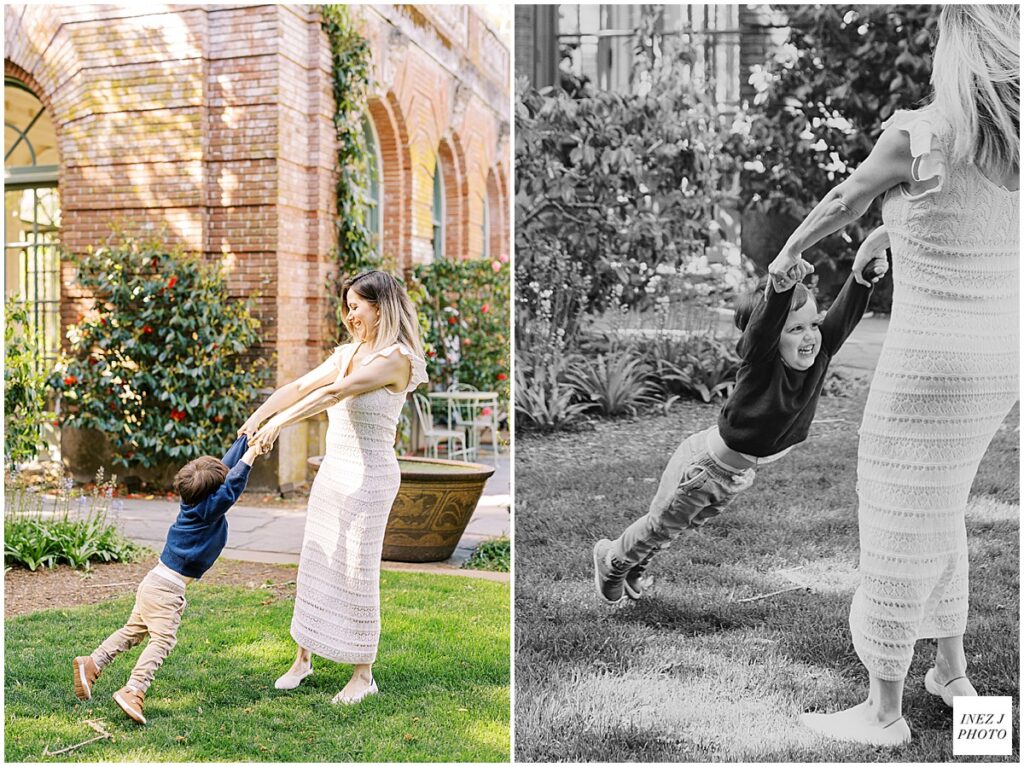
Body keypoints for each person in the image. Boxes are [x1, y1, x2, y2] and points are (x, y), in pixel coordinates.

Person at [766, 5, 1019, 747]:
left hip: (931, 363)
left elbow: (844, 198)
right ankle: (955, 677)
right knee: (938, 506)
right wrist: (892, 229)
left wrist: (787, 255)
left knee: (894, 508)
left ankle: (882, 710)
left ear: (956, 52)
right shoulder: (1010, 141)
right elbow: (960, 219)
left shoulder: (924, 131)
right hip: (1001, 357)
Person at [593, 246, 887, 605]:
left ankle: (637, 558)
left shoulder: (820, 355)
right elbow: (761, 333)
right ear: (771, 337)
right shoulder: (761, 363)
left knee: (681, 524)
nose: (810, 335)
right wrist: (778, 291)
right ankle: (613, 560)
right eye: (795, 329)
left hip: (733, 475)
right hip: (703, 469)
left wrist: (863, 276)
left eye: (813, 324)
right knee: (662, 523)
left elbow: (843, 316)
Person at [240, 271, 427, 705]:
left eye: (356, 306)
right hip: (334, 472)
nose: (349, 315)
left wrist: (278, 427)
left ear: (380, 307)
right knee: (317, 563)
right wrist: (259, 417)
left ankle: (363, 674)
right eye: (347, 306)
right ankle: (302, 659)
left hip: (370, 478)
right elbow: (303, 386)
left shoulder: (396, 359)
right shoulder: (350, 352)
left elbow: (334, 394)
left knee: (356, 569)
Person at [72, 434, 267, 724]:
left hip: (154, 581)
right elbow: (231, 487)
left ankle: (92, 662)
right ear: (213, 495)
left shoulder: (194, 500)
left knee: (133, 631)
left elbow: (223, 472)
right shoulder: (208, 510)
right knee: (162, 640)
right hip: (166, 590)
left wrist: (245, 440)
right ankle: (134, 689)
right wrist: (251, 456)